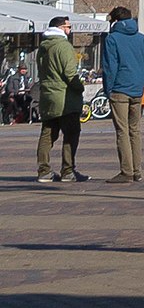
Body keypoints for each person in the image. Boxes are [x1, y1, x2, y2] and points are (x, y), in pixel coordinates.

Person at [101, 4, 144, 182]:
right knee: (135, 130)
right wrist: (141, 83)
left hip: (119, 89)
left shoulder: (112, 39)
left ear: (115, 20)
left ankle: (126, 170)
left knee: (122, 131)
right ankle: (137, 170)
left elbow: (110, 67)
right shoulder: (143, 39)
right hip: (137, 89)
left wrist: (109, 89)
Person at [35, 16, 87, 185]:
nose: (70, 30)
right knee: (71, 134)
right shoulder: (63, 46)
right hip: (65, 98)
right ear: (60, 28)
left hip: (47, 96)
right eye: (68, 26)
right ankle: (68, 170)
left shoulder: (43, 47)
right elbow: (70, 74)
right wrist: (80, 87)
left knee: (47, 134)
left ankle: (44, 170)